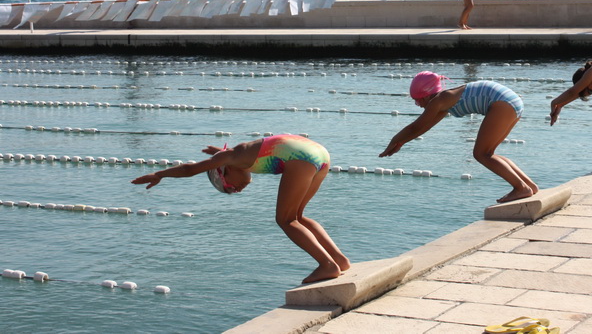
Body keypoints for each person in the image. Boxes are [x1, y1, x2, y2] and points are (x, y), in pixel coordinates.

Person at [131, 134, 350, 284]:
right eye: (232, 190)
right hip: (320, 154)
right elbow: (239, 155)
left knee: (285, 220)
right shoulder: (236, 156)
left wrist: (159, 174)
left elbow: (190, 169)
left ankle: (327, 264)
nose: (236, 189)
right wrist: (220, 155)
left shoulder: (230, 157)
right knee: (297, 217)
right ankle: (339, 260)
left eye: (229, 186)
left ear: (224, 170)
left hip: (301, 158)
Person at [379, 71, 538, 203]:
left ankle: (521, 188)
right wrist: (401, 142)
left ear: (426, 96)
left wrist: (394, 140)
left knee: (481, 154)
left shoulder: (439, 101)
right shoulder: (444, 102)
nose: (418, 105)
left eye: (417, 100)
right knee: (488, 153)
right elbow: (423, 127)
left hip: (502, 103)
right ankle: (529, 185)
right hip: (512, 100)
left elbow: (415, 126)